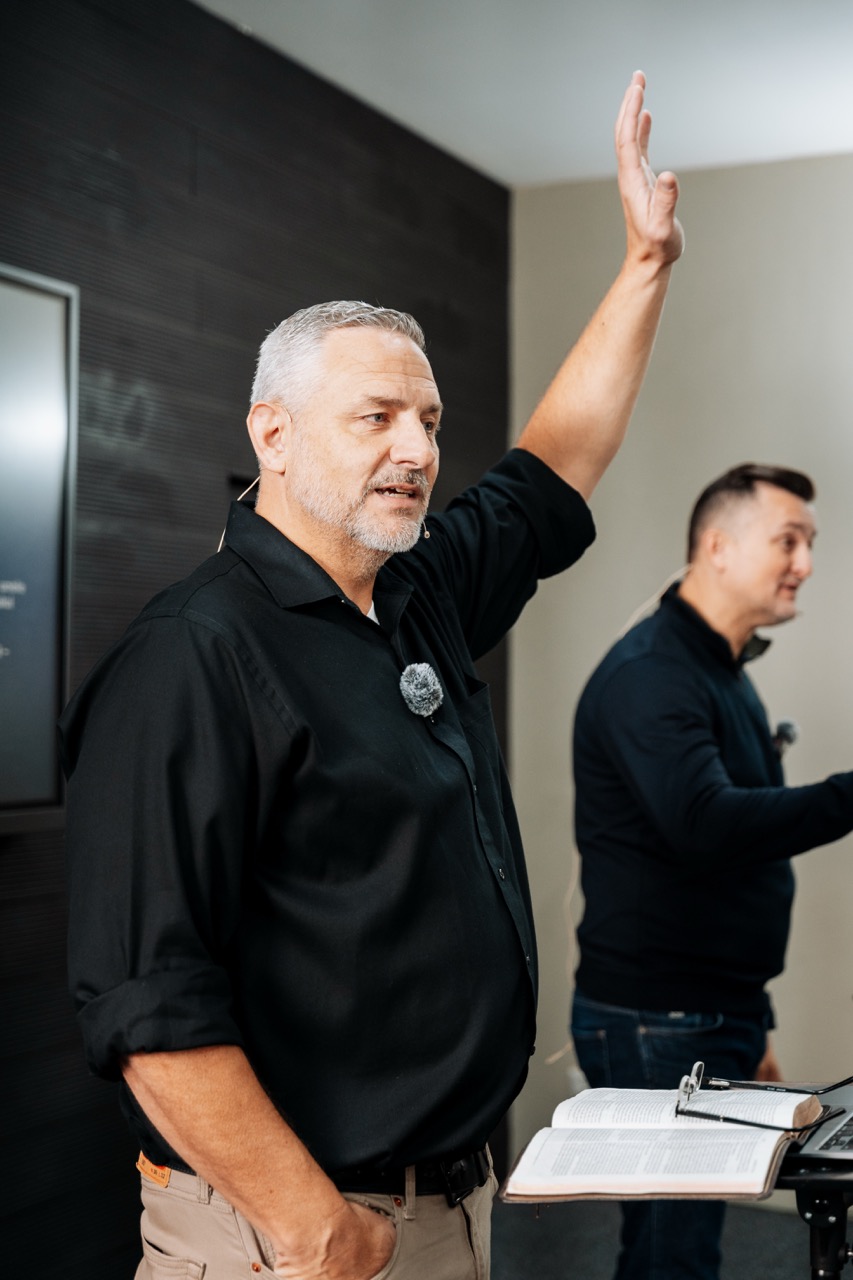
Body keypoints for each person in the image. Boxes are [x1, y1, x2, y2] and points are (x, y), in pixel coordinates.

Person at [60, 72, 682, 1280]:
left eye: (431, 420)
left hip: (441, 1203)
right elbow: (147, 998)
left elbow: (553, 464)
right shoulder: (191, 654)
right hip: (286, 1235)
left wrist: (645, 266)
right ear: (272, 434)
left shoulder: (416, 588)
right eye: (375, 416)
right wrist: (312, 1228)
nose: (416, 448)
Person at [571, 462, 853, 1280]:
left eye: (810, 542)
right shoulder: (652, 674)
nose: (803, 560)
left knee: (680, 1248)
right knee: (671, 1255)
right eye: (787, 540)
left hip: (705, 1010)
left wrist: (746, 1014)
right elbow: (705, 826)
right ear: (717, 547)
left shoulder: (718, 668)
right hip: (657, 1022)